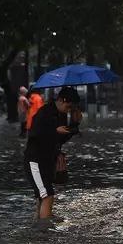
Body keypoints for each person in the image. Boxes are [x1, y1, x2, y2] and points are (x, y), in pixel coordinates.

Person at [24, 87, 81, 222]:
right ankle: (45, 232)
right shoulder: (44, 113)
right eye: (69, 106)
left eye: (72, 108)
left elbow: (60, 139)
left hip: (48, 161)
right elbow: (34, 135)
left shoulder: (60, 115)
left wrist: (75, 124)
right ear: (61, 100)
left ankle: (39, 228)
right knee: (47, 195)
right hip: (35, 161)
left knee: (42, 197)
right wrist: (55, 132)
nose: (69, 109)